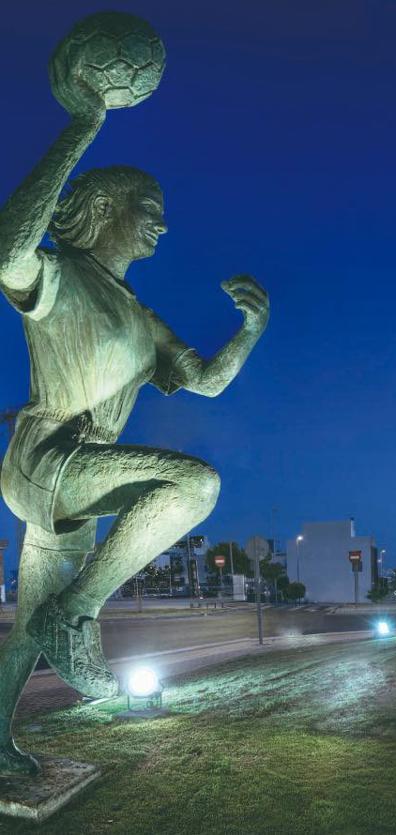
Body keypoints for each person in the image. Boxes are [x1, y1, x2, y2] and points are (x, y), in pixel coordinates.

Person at [0, 58, 268, 774]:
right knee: (195, 484)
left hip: (76, 483)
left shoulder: (142, 320)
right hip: (50, 458)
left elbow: (206, 382)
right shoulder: (58, 275)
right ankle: (78, 611)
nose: (163, 225)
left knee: (27, 631)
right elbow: (6, 250)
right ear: (104, 209)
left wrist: (249, 331)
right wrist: (83, 126)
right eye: (149, 209)